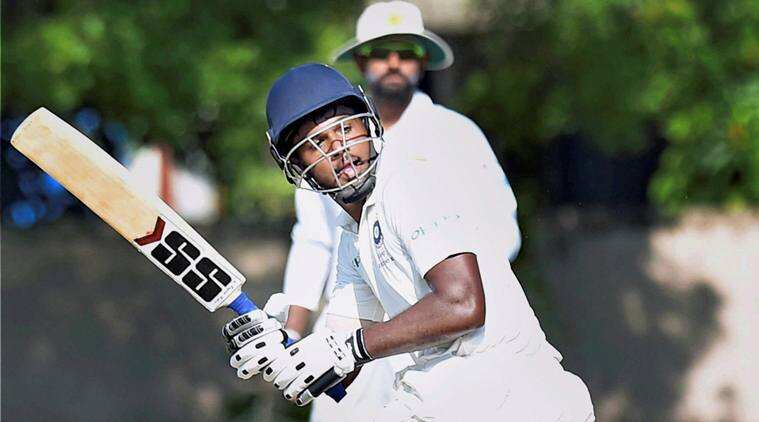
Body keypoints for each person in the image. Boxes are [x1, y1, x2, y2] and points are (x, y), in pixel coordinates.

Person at [223, 63, 595, 421]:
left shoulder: (408, 180)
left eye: (347, 130)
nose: (338, 150)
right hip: (449, 402)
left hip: (513, 401)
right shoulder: (352, 235)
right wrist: (286, 349)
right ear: (293, 164)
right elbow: (341, 356)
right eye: (316, 142)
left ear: (369, 124)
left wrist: (347, 349)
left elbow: (463, 304)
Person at [281, 2, 521, 419]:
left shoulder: (453, 135)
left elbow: (499, 235)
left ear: (422, 60)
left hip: (448, 328)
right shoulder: (325, 154)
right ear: (361, 59)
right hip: (365, 330)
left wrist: (425, 298)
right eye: (381, 51)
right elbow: (317, 241)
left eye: (406, 51)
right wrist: (288, 336)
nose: (394, 62)